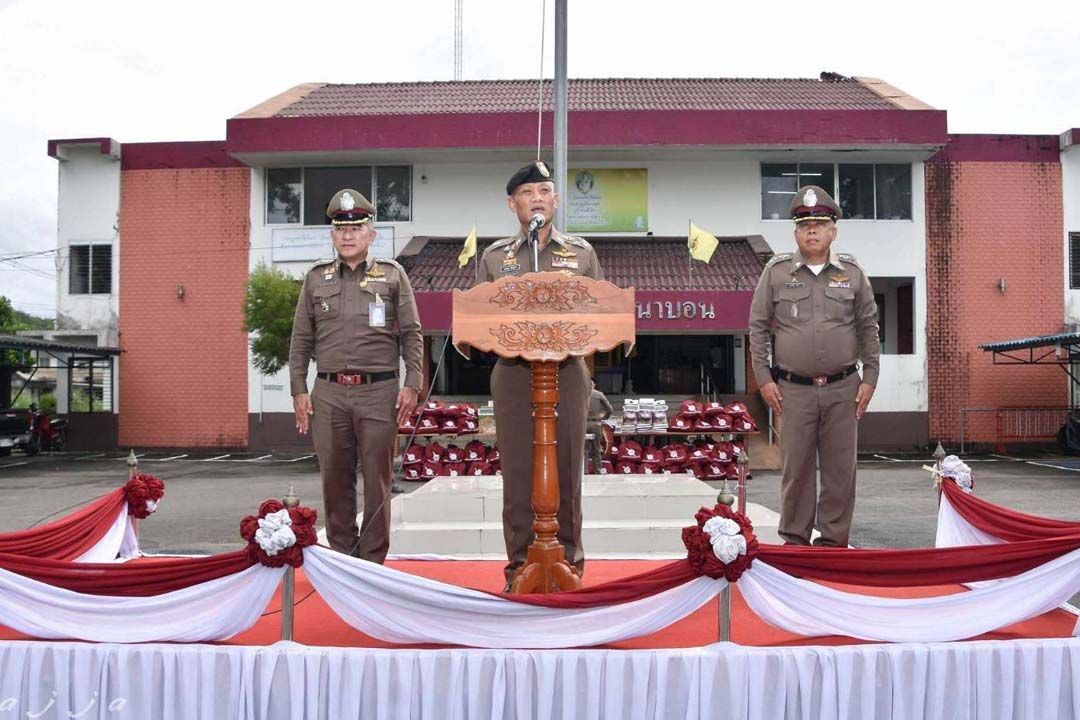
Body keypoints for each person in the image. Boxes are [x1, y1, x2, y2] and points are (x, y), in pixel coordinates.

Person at [476, 161, 604, 591]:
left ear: (555, 200)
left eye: (544, 191)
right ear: (512, 204)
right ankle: (519, 567)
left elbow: (602, 316)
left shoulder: (582, 254)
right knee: (516, 473)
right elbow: (478, 318)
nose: (537, 199)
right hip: (513, 374)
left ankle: (569, 564)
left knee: (567, 469)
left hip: (567, 372)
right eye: (527, 193)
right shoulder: (495, 257)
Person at [288, 188, 423, 563]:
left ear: (371, 234)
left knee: (377, 482)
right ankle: (344, 559)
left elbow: (412, 332)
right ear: (332, 235)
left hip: (378, 392)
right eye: (340, 229)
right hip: (328, 394)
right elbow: (300, 339)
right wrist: (299, 388)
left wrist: (413, 383)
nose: (348, 235)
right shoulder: (316, 279)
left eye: (356, 228)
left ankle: (373, 562)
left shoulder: (393, 276)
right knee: (335, 480)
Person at [747, 185, 880, 547]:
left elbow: (869, 326)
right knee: (796, 472)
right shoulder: (775, 273)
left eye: (820, 223)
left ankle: (833, 545)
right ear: (795, 232)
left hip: (843, 389)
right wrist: (763, 378)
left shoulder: (852, 273)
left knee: (840, 472)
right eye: (805, 224)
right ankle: (795, 542)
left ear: (832, 231)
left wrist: (870, 377)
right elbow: (757, 327)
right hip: (793, 390)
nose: (812, 230)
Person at [586, 379, 613, 474]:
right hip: (596, 424)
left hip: (584, 424)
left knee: (584, 450)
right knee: (596, 449)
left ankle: (584, 472)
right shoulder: (599, 394)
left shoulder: (580, 394)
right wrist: (603, 418)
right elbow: (610, 409)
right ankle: (597, 472)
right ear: (594, 385)